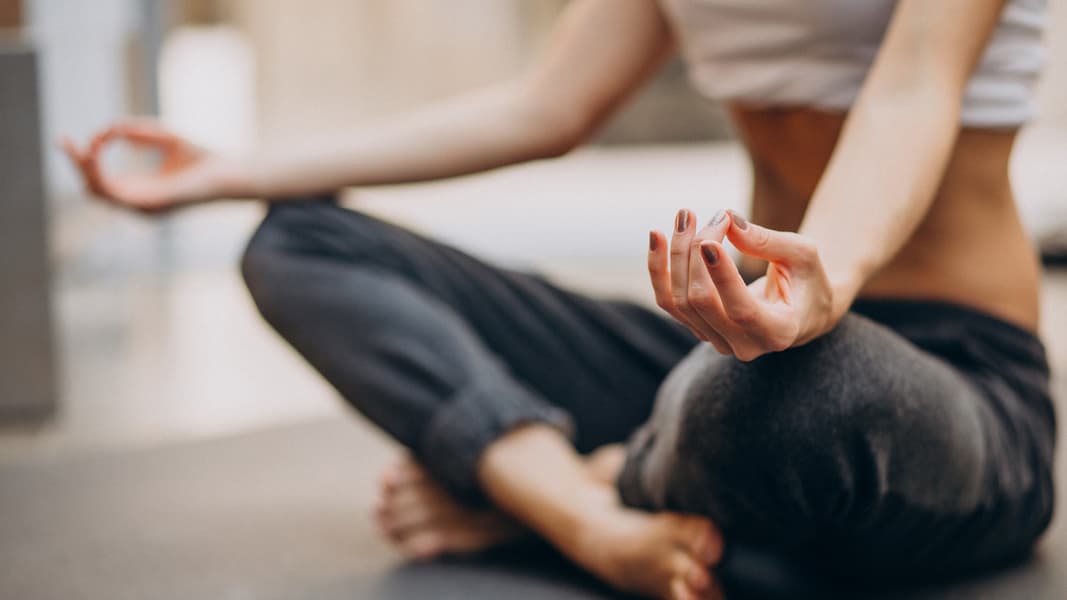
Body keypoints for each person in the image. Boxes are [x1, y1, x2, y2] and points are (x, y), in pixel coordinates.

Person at [62, 0, 1056, 598]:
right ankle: (584, 515)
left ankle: (527, 490)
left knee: (781, 395)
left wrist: (819, 279)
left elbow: (913, 85)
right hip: (735, 353)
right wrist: (233, 169)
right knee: (297, 239)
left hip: (948, 390)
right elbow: (544, 105)